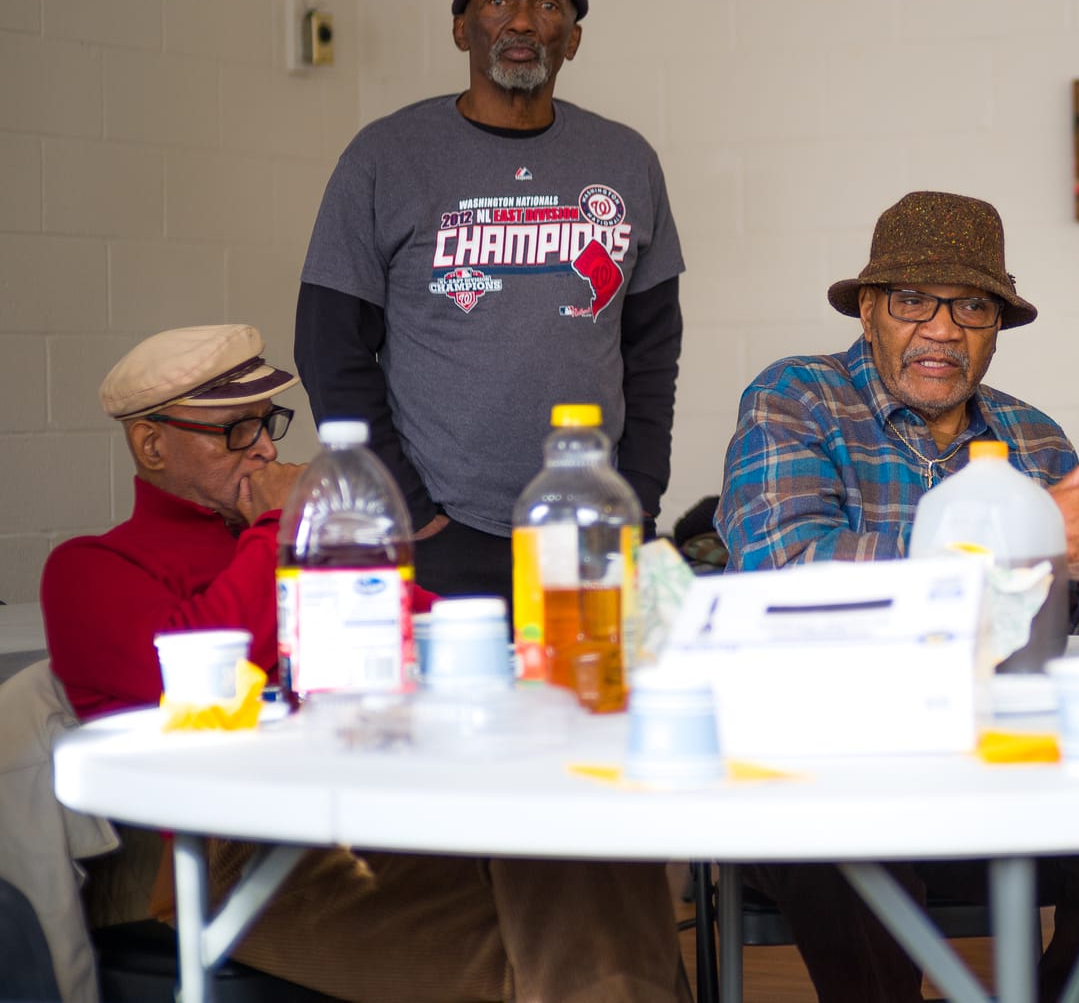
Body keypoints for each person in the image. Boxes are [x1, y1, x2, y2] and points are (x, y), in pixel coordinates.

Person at [716, 190, 1079, 1002]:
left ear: (996, 327)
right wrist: (1013, 536)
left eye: (972, 306)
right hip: (836, 762)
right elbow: (783, 567)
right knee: (830, 826)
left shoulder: (1033, 436)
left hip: (1011, 766)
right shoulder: (795, 399)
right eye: (914, 300)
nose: (943, 328)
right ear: (870, 310)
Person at [39, 325, 690, 1003]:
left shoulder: (316, 542)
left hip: (401, 808)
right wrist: (281, 531)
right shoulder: (93, 567)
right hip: (250, 852)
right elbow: (190, 672)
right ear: (152, 443)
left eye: (268, 425)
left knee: (588, 851)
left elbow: (429, 625)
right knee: (586, 960)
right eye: (235, 431)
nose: (263, 449)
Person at [297, 0, 685, 600]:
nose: (521, 20)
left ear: (572, 37)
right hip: (442, 535)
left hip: (591, 525)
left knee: (595, 706)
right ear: (459, 27)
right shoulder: (386, 158)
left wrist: (638, 498)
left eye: (546, 4)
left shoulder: (627, 160)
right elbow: (329, 351)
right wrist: (411, 513)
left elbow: (653, 351)